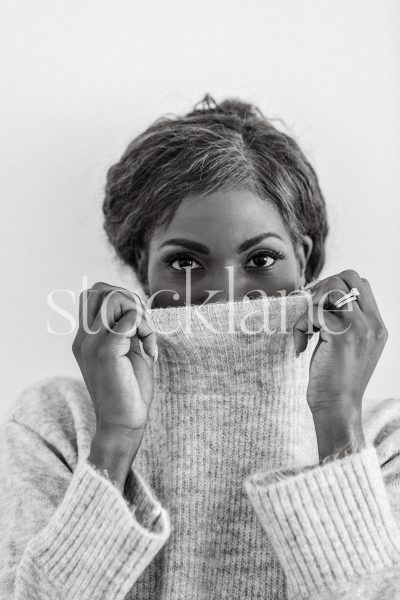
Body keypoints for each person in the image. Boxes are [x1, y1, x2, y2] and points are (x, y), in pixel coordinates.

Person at [1, 94, 400, 600]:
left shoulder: (382, 443)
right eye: (185, 263)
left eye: (261, 258)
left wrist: (337, 422)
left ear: (303, 261)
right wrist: (116, 440)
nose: (225, 295)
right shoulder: (56, 422)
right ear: (141, 268)